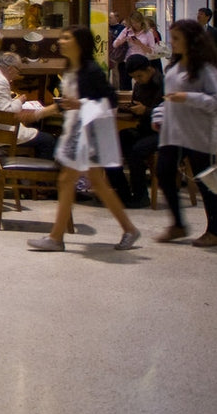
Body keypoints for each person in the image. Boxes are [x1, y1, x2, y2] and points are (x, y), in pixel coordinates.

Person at [27, 27, 140, 252]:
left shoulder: (90, 70)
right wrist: (39, 113)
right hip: (79, 130)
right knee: (94, 183)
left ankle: (56, 237)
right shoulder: (72, 69)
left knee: (68, 179)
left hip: (91, 132)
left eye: (66, 38)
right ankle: (128, 229)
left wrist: (79, 104)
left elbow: (109, 99)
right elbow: (67, 102)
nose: (60, 41)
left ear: (79, 42)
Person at [152, 20, 217, 245]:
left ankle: (214, 229)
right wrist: (158, 115)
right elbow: (167, 99)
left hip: (198, 134)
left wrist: (188, 98)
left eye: (177, 38)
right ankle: (177, 224)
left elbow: (214, 100)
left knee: (205, 182)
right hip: (172, 132)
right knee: (164, 172)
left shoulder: (205, 70)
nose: (173, 43)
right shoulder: (173, 68)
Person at [0, 52, 57, 160]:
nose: (16, 76)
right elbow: (7, 112)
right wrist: (20, 101)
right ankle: (35, 175)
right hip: (0, 134)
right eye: (18, 71)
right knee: (48, 140)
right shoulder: (0, 80)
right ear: (10, 68)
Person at [118, 53, 162, 208]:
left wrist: (146, 111)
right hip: (144, 128)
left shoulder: (162, 83)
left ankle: (141, 195)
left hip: (163, 133)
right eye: (134, 78)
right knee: (120, 138)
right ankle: (122, 191)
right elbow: (136, 104)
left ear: (149, 69)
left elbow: (169, 113)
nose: (138, 80)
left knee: (136, 150)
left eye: (140, 76)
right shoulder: (138, 85)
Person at [112, 13, 160, 89]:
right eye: (133, 23)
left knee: (143, 84)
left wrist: (140, 44)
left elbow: (152, 51)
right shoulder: (127, 30)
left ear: (141, 22)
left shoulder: (148, 33)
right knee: (125, 85)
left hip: (142, 61)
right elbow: (114, 44)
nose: (135, 25)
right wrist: (125, 39)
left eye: (137, 22)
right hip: (127, 60)